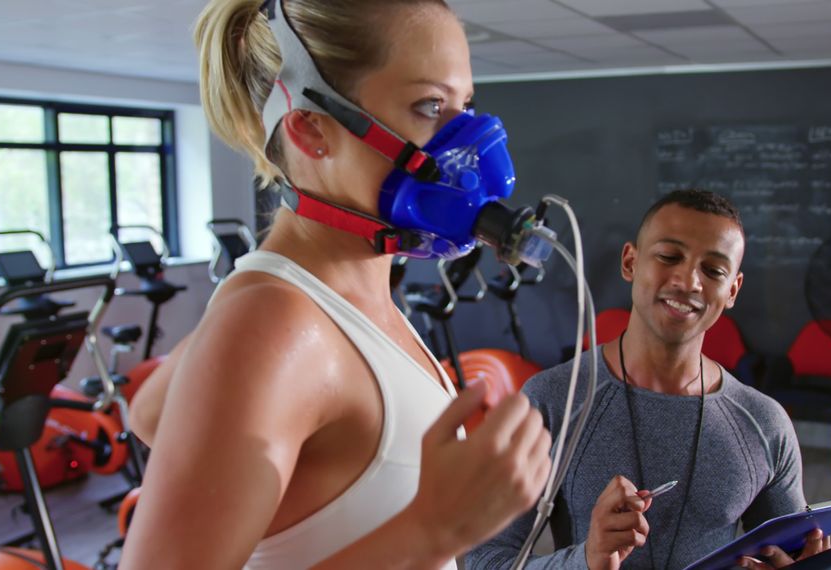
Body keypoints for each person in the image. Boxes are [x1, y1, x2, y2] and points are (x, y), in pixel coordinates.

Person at [118, 0, 552, 568]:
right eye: (429, 106)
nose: (469, 138)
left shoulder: (336, 299)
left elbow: (151, 410)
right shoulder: (277, 323)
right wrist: (432, 529)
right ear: (312, 129)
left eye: (465, 105)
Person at [466, 190, 830, 569]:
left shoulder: (764, 423)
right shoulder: (554, 400)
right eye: (669, 257)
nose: (689, 281)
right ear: (630, 262)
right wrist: (587, 561)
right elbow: (483, 560)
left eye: (713, 271)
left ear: (732, 290)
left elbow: (787, 555)